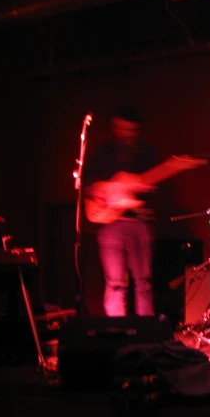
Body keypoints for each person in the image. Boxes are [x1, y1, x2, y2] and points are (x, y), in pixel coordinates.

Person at [83, 106, 159, 317]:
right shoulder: (103, 153)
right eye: (122, 129)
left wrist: (143, 195)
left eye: (131, 130)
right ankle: (117, 332)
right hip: (110, 223)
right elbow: (87, 182)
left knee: (143, 281)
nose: (127, 134)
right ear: (115, 127)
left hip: (139, 224)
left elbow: (153, 191)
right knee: (115, 282)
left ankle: (146, 331)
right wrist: (103, 190)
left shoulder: (147, 154)